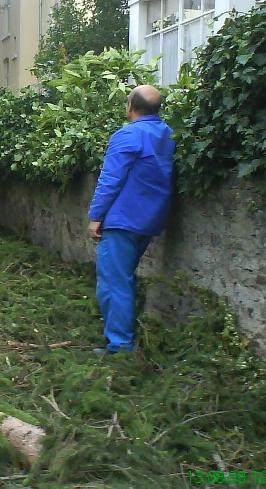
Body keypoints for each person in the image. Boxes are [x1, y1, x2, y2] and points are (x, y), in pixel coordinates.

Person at [87, 84, 175, 355]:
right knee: (123, 279)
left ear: (130, 107)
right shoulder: (168, 134)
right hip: (150, 219)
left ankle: (120, 347)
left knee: (113, 282)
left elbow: (111, 179)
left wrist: (95, 216)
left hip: (122, 219)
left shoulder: (128, 135)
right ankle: (123, 336)